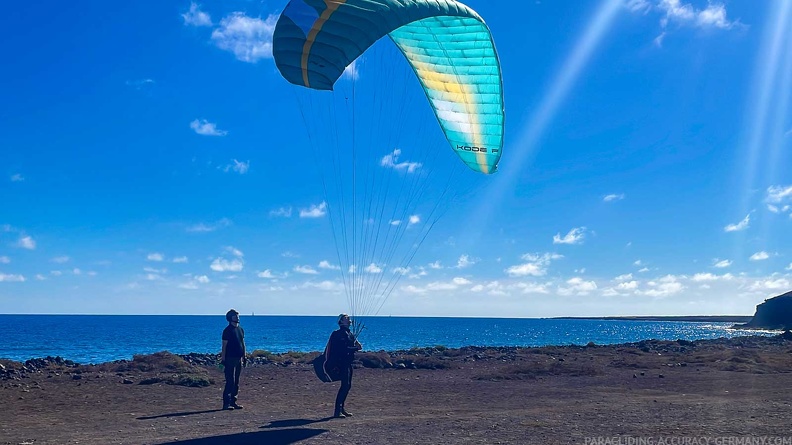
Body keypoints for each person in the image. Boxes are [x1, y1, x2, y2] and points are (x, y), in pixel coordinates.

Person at [324, 313, 362, 418]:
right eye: (346, 318)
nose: (349, 319)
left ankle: (342, 409)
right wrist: (356, 348)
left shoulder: (349, 333)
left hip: (348, 362)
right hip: (341, 363)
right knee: (345, 385)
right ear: (341, 321)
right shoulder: (338, 334)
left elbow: (350, 346)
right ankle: (337, 411)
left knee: (347, 385)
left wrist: (356, 345)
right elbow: (342, 349)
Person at [220, 309, 246, 410]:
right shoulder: (227, 330)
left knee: (236, 381)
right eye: (235, 316)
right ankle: (226, 403)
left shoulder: (240, 329)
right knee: (230, 381)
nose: (238, 318)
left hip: (239, 358)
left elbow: (242, 343)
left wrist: (244, 356)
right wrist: (223, 359)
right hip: (229, 358)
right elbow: (224, 346)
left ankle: (233, 401)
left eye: (238, 316)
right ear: (230, 318)